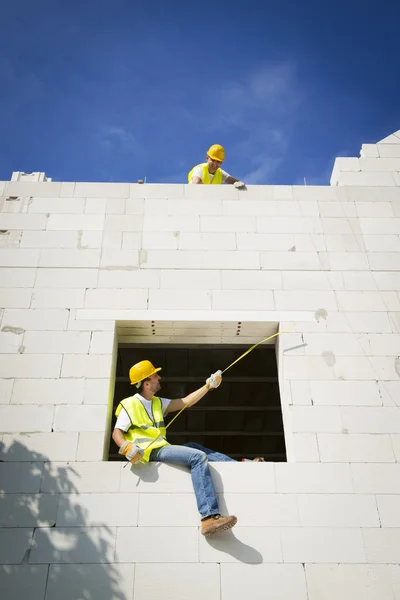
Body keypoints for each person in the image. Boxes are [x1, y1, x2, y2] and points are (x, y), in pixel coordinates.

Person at [112, 359, 241, 536]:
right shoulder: (129, 404)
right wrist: (127, 448)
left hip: (162, 447)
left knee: (193, 447)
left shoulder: (157, 402)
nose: (159, 377)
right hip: (152, 452)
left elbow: (185, 401)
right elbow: (116, 433)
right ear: (146, 382)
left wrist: (207, 386)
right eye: (155, 375)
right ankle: (209, 518)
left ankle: (239, 464)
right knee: (197, 457)